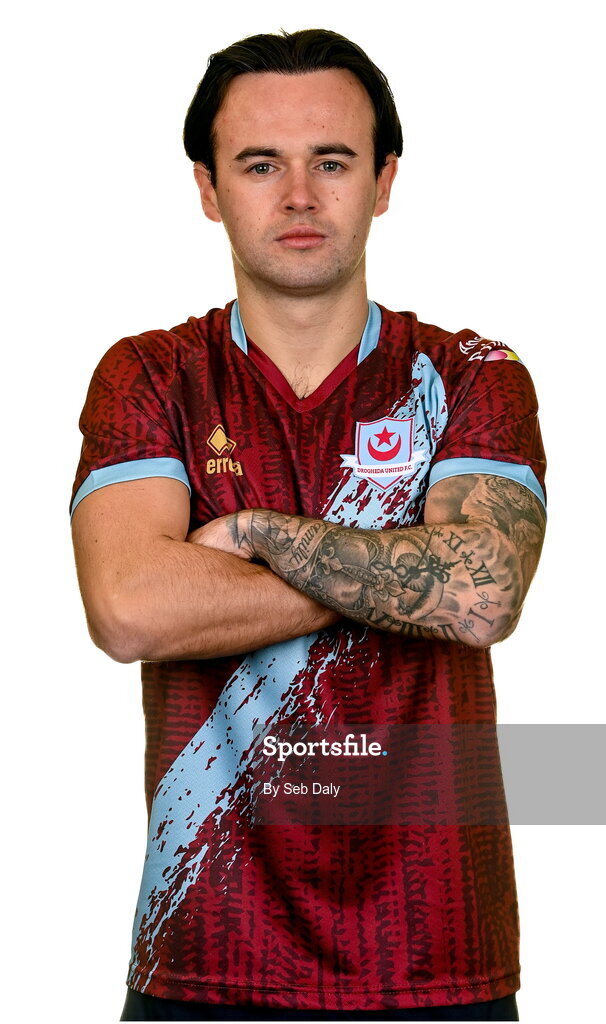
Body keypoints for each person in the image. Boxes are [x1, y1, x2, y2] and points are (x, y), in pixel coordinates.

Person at [70, 28, 546, 1023]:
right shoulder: (150, 376)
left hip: (437, 957)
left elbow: (484, 591)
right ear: (208, 188)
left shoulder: (471, 375)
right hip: (203, 960)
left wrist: (247, 532)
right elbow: (128, 610)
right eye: (259, 164)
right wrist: (411, 571)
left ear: (383, 180)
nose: (298, 195)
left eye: (332, 161)